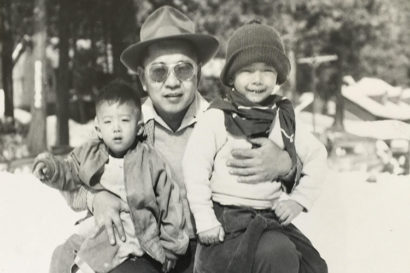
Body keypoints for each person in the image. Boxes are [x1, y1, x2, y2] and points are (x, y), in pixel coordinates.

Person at [58, 6, 320, 273]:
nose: (172, 82)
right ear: (143, 79)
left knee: (276, 252)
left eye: (183, 70)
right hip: (146, 248)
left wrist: (286, 164)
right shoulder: (123, 123)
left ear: (198, 72)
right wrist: (97, 198)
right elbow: (69, 175)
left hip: (211, 242)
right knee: (72, 261)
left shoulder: (223, 120)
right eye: (159, 72)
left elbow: (292, 160)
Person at [183, 21, 328, 273]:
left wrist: (298, 200)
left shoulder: (283, 118)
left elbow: (317, 156)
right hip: (226, 218)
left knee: (311, 265)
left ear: (278, 75)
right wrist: (204, 218)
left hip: (268, 217)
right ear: (232, 76)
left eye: (267, 70)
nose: (258, 79)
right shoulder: (218, 116)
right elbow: (195, 166)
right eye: (247, 70)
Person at [32, 80, 188, 273]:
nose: (116, 128)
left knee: (94, 256)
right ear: (98, 129)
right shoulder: (90, 153)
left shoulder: (149, 159)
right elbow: (69, 171)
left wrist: (171, 247)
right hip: (97, 226)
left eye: (124, 120)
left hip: (133, 232)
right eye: (108, 121)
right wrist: (51, 168)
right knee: (61, 255)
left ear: (139, 127)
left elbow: (169, 202)